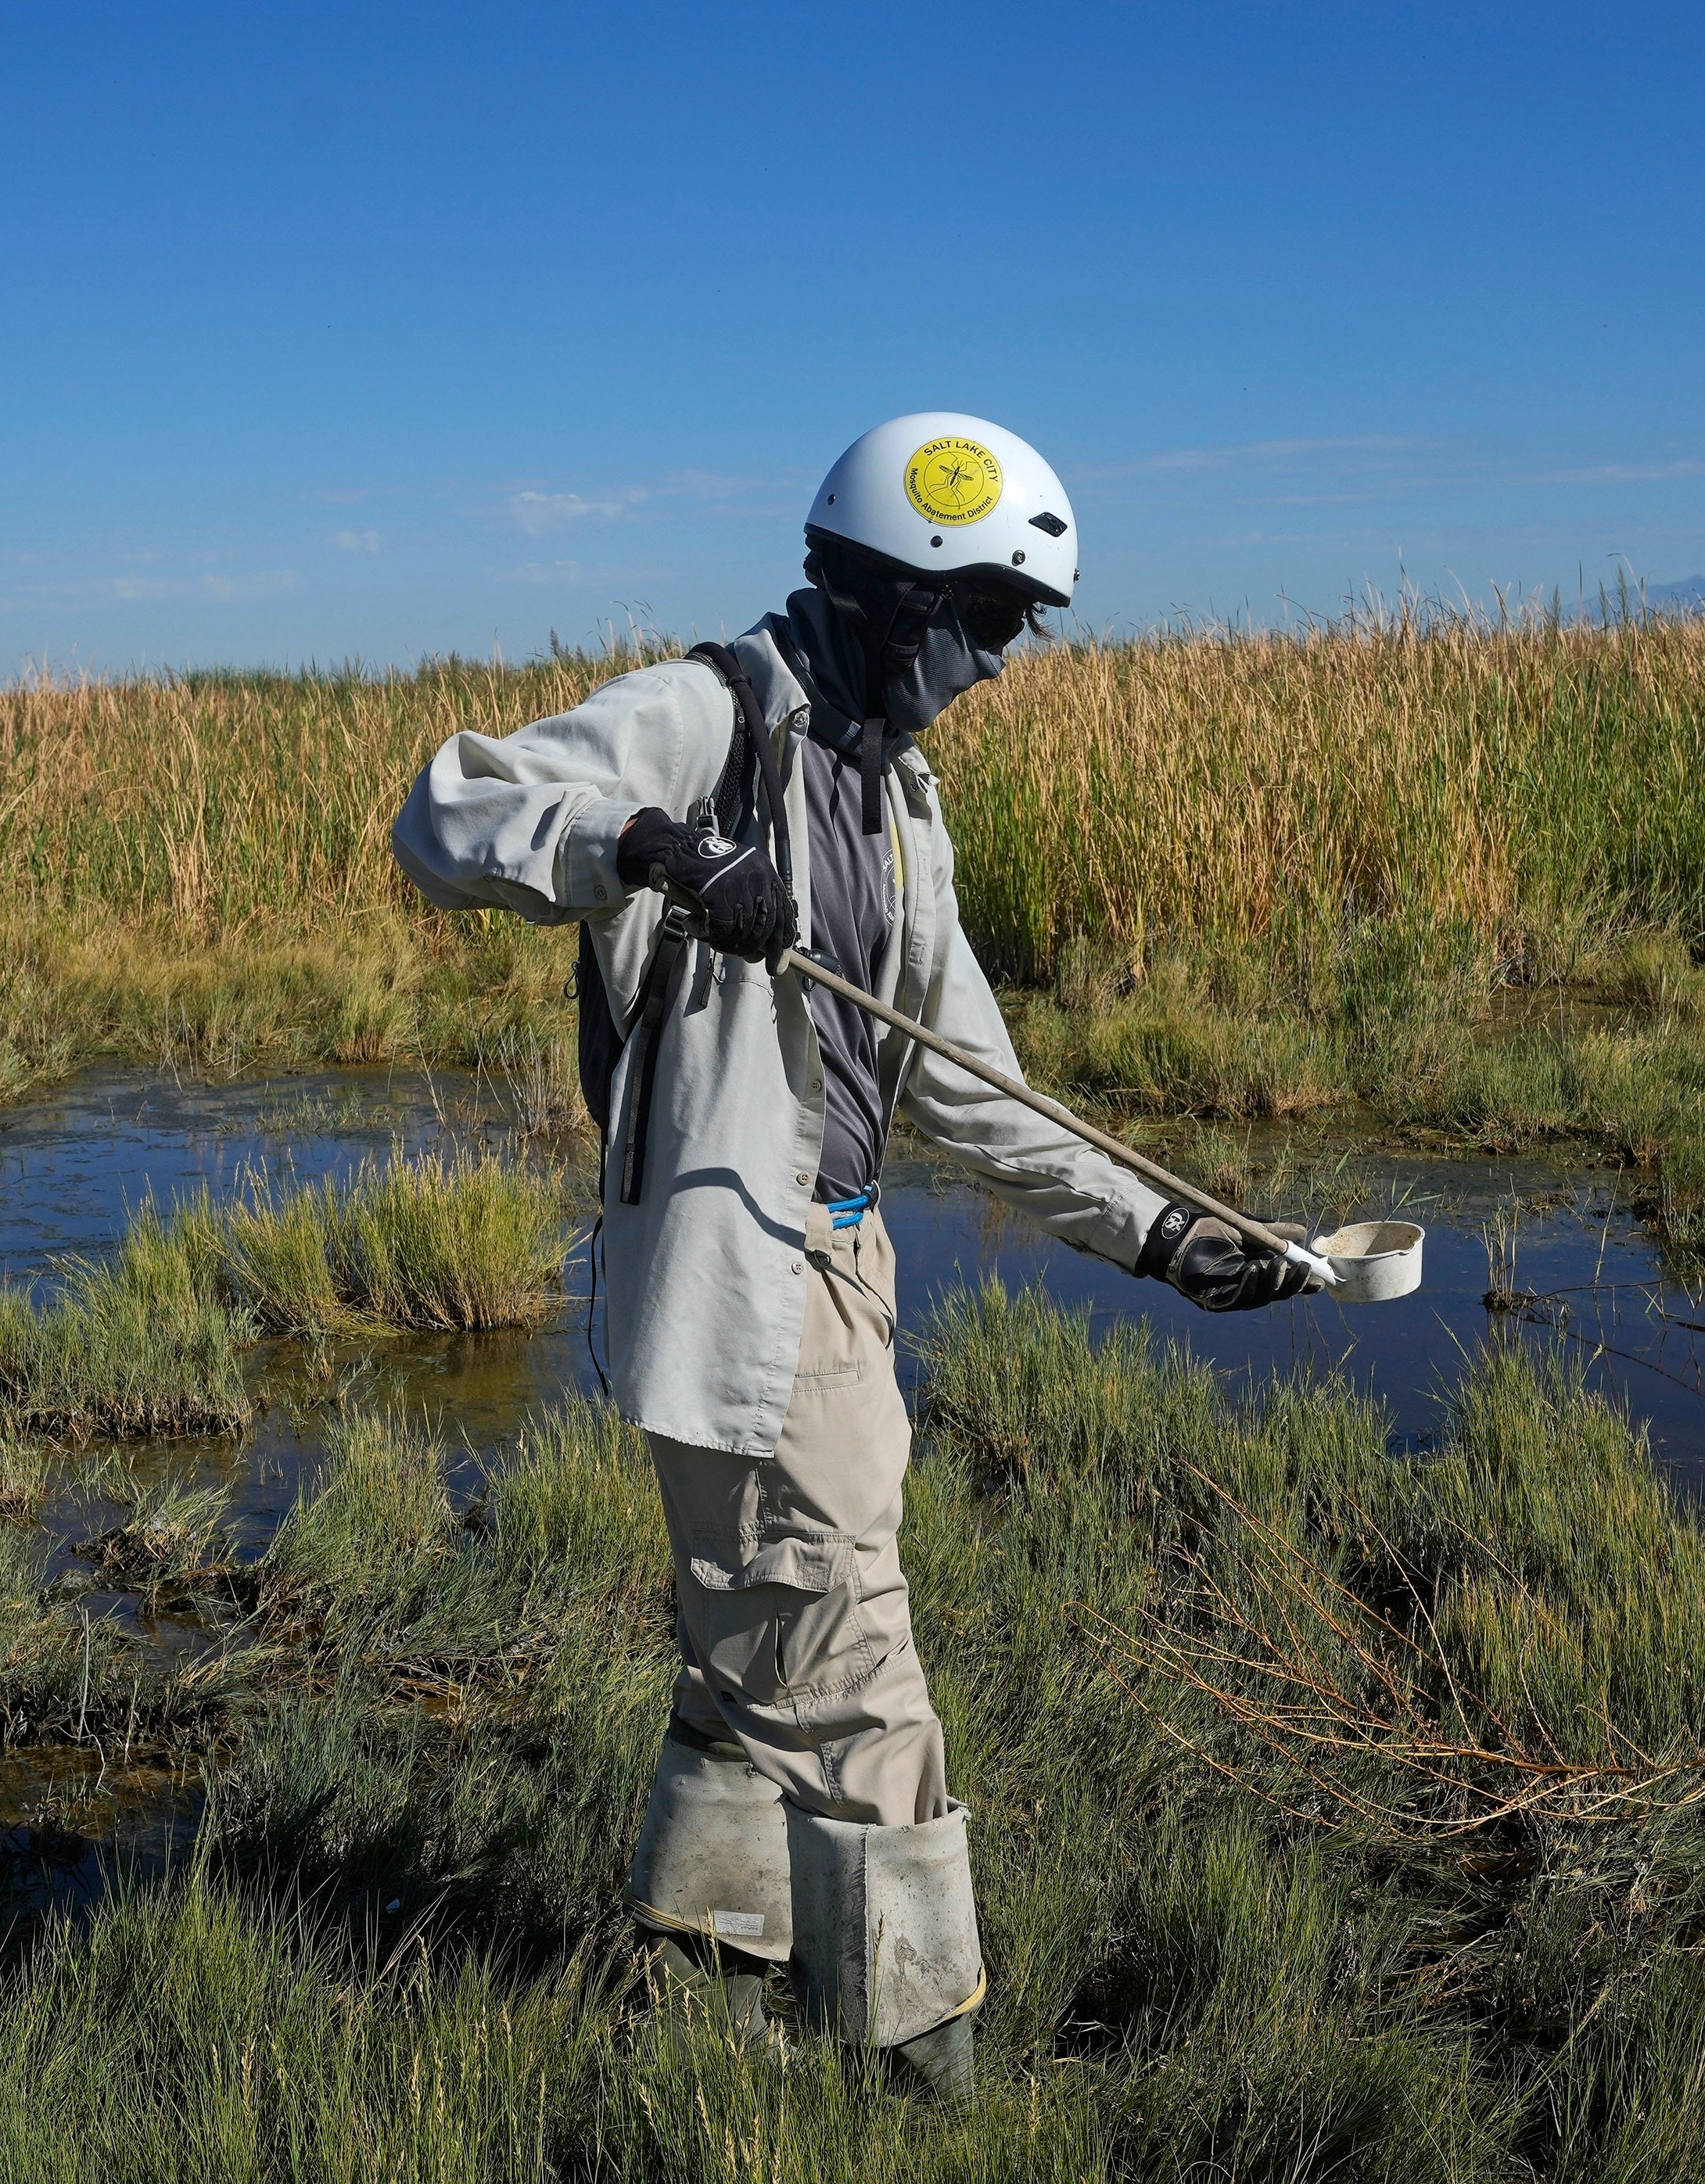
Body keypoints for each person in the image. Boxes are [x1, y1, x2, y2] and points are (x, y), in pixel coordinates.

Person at [388, 412, 1316, 2096]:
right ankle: (928, 2092)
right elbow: (453, 814)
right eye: (990, 623)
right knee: (857, 1678)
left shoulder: (897, 801)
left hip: (841, 1276)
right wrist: (654, 850)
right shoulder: (710, 715)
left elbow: (966, 1088)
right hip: (742, 1293)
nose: (1000, 666)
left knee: (757, 1660)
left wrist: (1170, 1238)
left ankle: (707, 2002)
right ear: (900, 592)